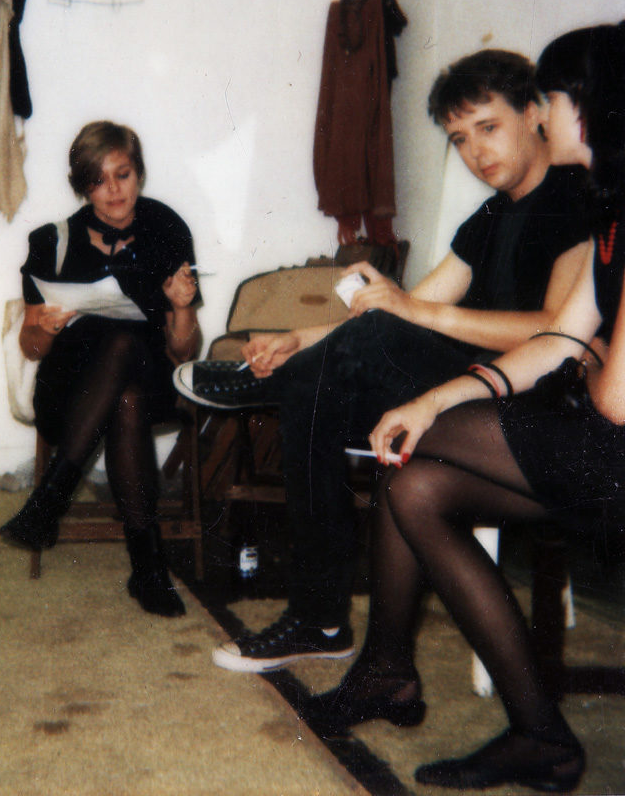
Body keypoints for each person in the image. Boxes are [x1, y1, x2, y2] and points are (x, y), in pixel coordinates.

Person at [175, 50, 590, 669]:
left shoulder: (575, 198)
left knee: (327, 375)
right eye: (459, 138)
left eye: (488, 127)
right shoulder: (491, 215)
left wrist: (413, 313)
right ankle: (317, 618)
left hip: (525, 402)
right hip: (464, 392)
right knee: (316, 385)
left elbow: (555, 333)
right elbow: (406, 308)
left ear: (534, 113)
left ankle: (318, 618)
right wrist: (300, 337)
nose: (475, 152)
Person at [306, 23, 625, 793]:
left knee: (413, 453)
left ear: (595, 105)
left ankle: (372, 655)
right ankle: (534, 733)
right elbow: (559, 339)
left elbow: (613, 395)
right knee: (412, 479)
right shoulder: (611, 215)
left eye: (557, 96)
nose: (549, 109)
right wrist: (433, 400)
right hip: (596, 438)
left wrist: (581, 369)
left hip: (611, 444)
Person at [0, 121, 201, 617]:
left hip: (152, 376)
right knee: (124, 393)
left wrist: (182, 308)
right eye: (98, 180)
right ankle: (148, 569)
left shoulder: (167, 229)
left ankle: (51, 499)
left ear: (139, 174)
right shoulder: (52, 241)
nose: (113, 190)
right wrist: (46, 327)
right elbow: (30, 348)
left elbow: (184, 351)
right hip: (69, 389)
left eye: (122, 175)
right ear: (82, 186)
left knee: (127, 349)